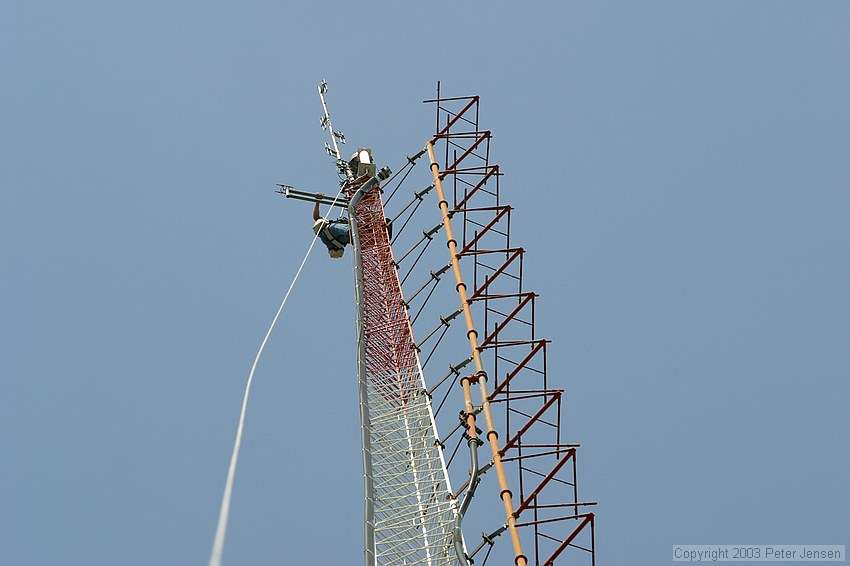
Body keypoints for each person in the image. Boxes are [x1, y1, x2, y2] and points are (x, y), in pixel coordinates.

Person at [312, 193, 350, 259]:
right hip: (333, 231)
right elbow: (316, 218)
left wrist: (317, 200)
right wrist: (317, 200)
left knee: (350, 234)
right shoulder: (329, 242)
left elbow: (316, 218)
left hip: (332, 232)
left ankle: (351, 230)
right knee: (349, 234)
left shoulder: (329, 242)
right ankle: (351, 230)